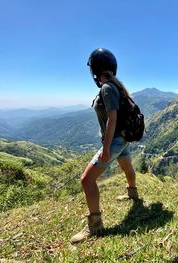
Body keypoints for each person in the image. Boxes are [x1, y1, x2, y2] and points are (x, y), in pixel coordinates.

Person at [71, 48, 139, 244]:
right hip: (123, 138)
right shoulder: (118, 86)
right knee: (127, 167)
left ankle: (95, 226)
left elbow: (112, 119)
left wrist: (107, 148)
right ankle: (132, 193)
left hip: (115, 139)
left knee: (86, 180)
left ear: (95, 69)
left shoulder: (107, 88)